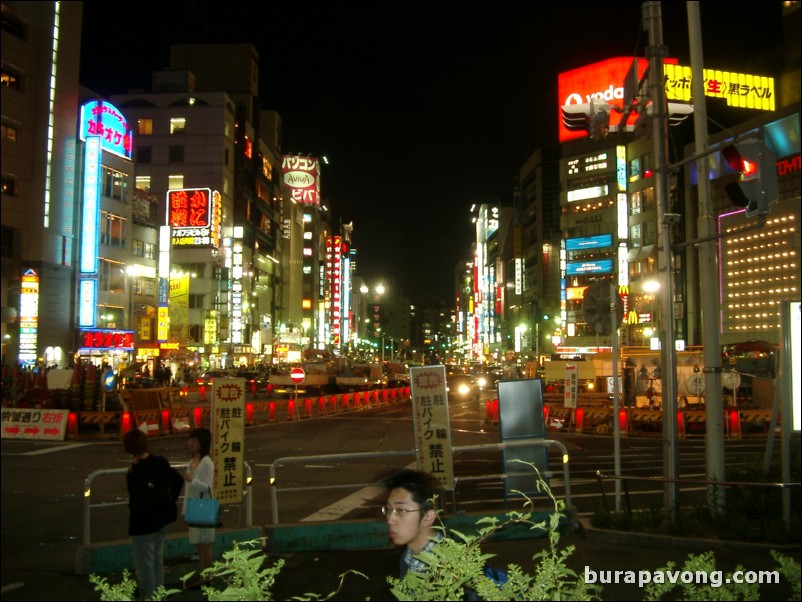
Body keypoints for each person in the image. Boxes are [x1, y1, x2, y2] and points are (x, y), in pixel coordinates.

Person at [123, 429, 178, 600]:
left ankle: (148, 597)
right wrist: (169, 501)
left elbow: (134, 494)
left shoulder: (135, 471)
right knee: (156, 561)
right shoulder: (160, 462)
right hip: (162, 519)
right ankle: (158, 595)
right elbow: (177, 479)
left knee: (144, 566)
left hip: (143, 522)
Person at [383, 469, 441, 578]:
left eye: (401, 511)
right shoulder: (408, 557)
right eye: (389, 509)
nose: (390, 520)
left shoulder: (448, 566)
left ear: (428, 517)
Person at [183, 427, 215, 588]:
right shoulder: (193, 461)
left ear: (202, 443)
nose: (191, 443)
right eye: (190, 440)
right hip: (195, 504)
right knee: (199, 542)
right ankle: (204, 574)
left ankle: (208, 576)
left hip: (203, 504)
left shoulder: (207, 462)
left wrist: (192, 479)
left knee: (204, 543)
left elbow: (209, 487)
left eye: (194, 441)